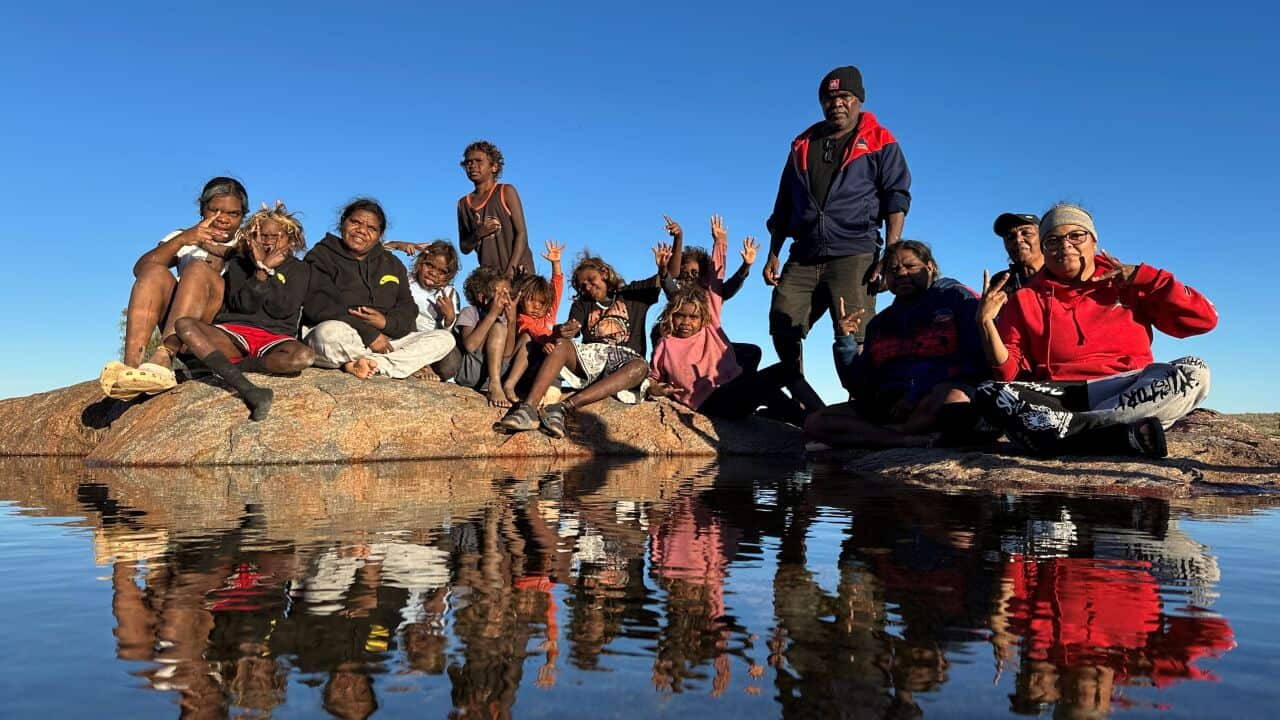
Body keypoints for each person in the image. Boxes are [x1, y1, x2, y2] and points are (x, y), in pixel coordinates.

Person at [975, 203, 1217, 457]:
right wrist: (985, 323)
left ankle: (1068, 433)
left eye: (1075, 236)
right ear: (1044, 250)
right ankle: (1120, 436)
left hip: (1124, 387)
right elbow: (1008, 372)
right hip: (1062, 393)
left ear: (1093, 241)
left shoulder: (1127, 281)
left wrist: (1148, 278)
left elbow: (1204, 320)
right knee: (990, 393)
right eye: (1053, 241)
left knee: (1195, 371)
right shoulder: (1023, 298)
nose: (1065, 246)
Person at [764, 65, 912, 410]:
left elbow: (897, 196)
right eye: (829, 98)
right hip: (804, 252)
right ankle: (802, 400)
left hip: (855, 251)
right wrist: (774, 251)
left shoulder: (880, 140)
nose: (837, 103)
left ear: (858, 100)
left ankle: (861, 405)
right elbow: (784, 202)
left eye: (844, 96)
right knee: (783, 322)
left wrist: (890, 253)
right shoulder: (802, 143)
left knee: (854, 332)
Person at [804, 241, 987, 448]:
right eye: (893, 269)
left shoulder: (957, 299)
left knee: (955, 399)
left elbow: (975, 359)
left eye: (910, 266)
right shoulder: (880, 323)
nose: (901, 273)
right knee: (816, 422)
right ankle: (904, 439)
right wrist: (845, 341)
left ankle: (884, 436)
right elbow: (859, 386)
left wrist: (915, 395)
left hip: (935, 395)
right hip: (891, 404)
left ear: (930, 267)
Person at [100, 176, 248, 400]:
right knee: (153, 271)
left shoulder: (248, 243)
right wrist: (183, 240)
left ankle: (164, 354)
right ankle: (132, 365)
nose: (223, 219)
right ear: (202, 210)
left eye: (233, 214)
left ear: (242, 216)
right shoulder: (185, 238)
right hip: (181, 325)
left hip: (217, 331)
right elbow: (140, 269)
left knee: (198, 270)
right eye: (215, 210)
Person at [171, 203, 314, 421]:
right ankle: (249, 390)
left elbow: (281, 309)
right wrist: (260, 271)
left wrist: (268, 270)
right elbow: (243, 306)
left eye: (276, 236)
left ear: (291, 240)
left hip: (275, 337)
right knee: (184, 326)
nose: (269, 241)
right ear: (253, 237)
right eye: (263, 236)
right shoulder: (239, 263)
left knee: (303, 357)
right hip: (234, 333)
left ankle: (228, 368)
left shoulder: (301, 269)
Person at [496, 253, 661, 438]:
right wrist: (562, 331)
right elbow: (570, 330)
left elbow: (665, 277)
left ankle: (562, 407)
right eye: (583, 286)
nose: (589, 287)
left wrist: (667, 261)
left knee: (640, 367)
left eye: (592, 280)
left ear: (604, 273)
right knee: (562, 344)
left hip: (625, 361)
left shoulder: (632, 294)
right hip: (592, 360)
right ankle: (528, 408)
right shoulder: (582, 304)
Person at [303, 199, 452, 379]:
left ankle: (370, 364)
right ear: (343, 222)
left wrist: (385, 323)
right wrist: (369, 334)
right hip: (343, 336)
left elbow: (408, 308)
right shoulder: (321, 255)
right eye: (355, 222)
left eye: (371, 228)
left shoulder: (392, 264)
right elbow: (319, 304)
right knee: (329, 334)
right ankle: (388, 364)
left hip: (386, 341)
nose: (362, 231)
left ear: (379, 235)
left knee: (445, 339)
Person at [647, 278, 804, 424]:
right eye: (680, 316)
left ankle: (810, 417)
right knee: (779, 374)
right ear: (671, 315)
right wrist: (654, 388)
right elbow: (653, 377)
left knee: (771, 367)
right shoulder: (665, 344)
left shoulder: (710, 330)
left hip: (729, 390)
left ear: (703, 319)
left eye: (693, 317)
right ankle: (810, 420)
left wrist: (745, 265)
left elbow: (715, 282)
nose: (686, 322)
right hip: (709, 404)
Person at [656, 215, 763, 372]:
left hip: (712, 349)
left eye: (694, 273)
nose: (689, 277)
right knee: (657, 330)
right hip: (684, 350)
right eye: (684, 273)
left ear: (704, 276)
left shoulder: (712, 295)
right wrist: (665, 267)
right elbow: (668, 282)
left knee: (752, 352)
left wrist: (745, 266)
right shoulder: (679, 297)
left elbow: (729, 285)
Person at [456, 140, 534, 277]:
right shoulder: (463, 204)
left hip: (520, 273)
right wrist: (478, 233)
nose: (473, 166)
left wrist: (511, 270)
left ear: (494, 166)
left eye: (478, 161)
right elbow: (464, 247)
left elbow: (522, 234)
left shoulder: (506, 192)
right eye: (469, 162)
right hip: (490, 279)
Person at [503, 239, 566, 403]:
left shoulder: (548, 316)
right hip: (523, 366)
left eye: (542, 302)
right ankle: (509, 384)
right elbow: (533, 331)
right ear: (523, 299)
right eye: (532, 300)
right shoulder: (522, 318)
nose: (537, 306)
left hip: (541, 366)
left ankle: (550, 391)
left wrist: (556, 264)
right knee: (528, 339)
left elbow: (557, 288)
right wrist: (545, 341)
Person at [454, 266, 518, 407]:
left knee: (502, 328)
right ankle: (495, 385)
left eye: (509, 295)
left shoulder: (505, 319)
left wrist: (512, 322)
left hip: (498, 372)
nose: (507, 301)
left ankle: (496, 383)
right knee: (497, 327)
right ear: (483, 298)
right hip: (472, 372)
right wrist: (492, 315)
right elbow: (470, 346)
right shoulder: (470, 312)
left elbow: (507, 354)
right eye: (501, 295)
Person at [401, 240, 463, 381]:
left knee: (452, 363)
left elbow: (447, 334)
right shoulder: (406, 281)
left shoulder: (450, 293)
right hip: (407, 337)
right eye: (429, 265)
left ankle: (424, 365)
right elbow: (373, 253)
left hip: (432, 343)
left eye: (442, 271)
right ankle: (418, 366)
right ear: (420, 263)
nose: (433, 273)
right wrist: (396, 245)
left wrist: (449, 319)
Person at [990, 212, 1044, 293]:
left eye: (1026, 233)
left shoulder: (1061, 274)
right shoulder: (999, 283)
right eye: (1010, 236)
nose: (1018, 240)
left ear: (1043, 237)